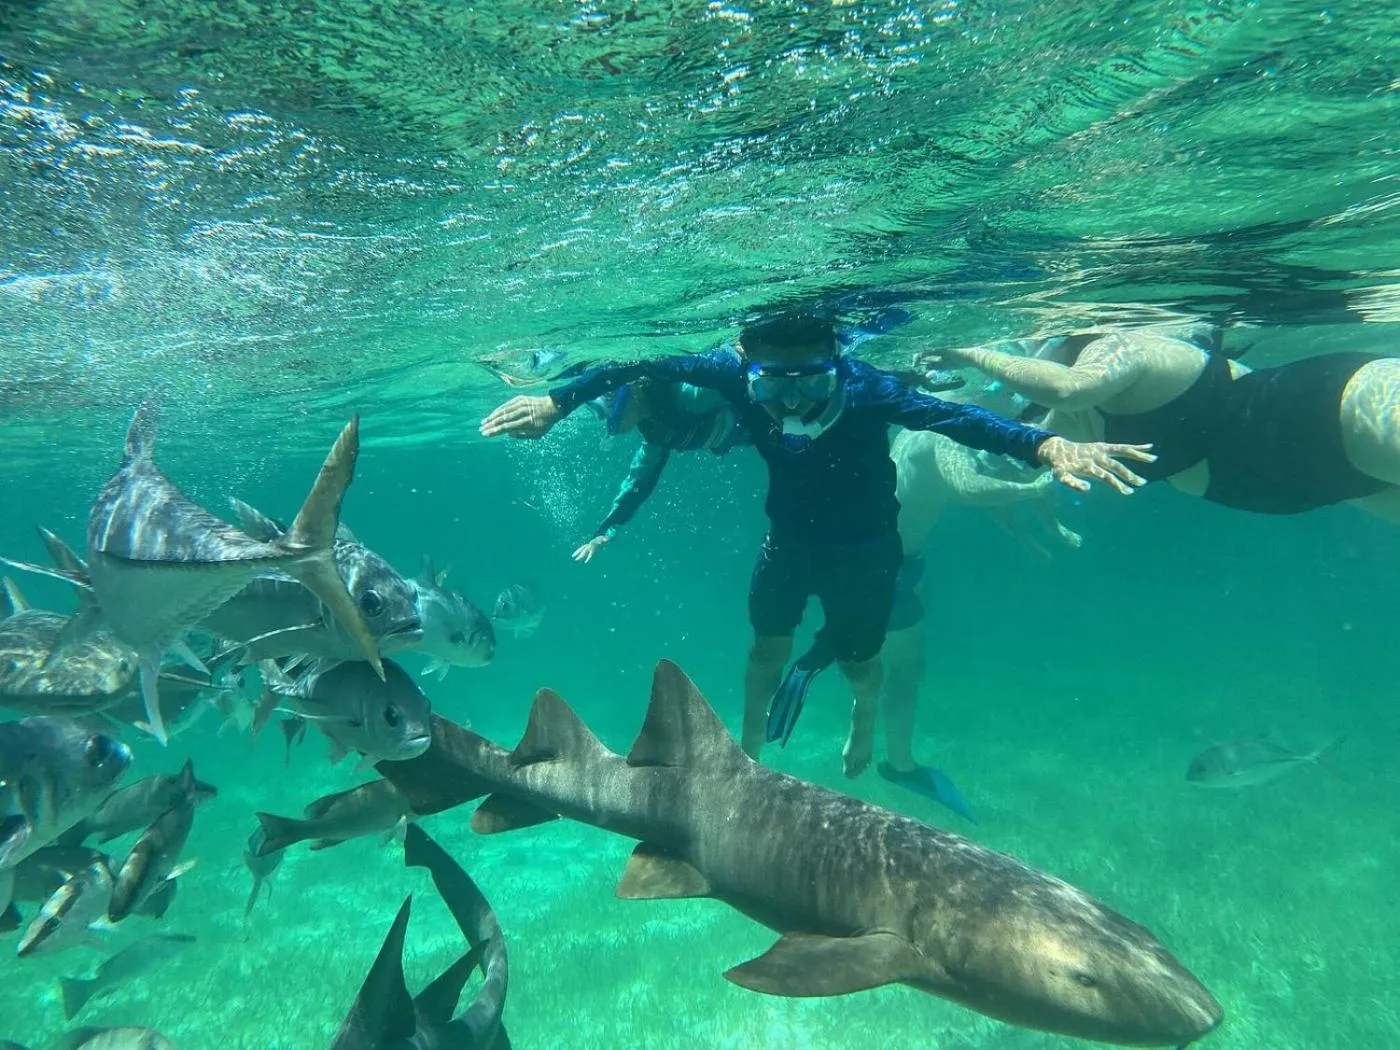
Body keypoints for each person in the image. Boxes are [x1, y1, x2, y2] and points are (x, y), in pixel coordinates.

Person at [480, 313, 1154, 780]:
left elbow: (958, 417)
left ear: (838, 368)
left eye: (811, 382)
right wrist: (558, 403)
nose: (793, 402)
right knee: (764, 653)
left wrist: (1046, 443)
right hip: (789, 542)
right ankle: (746, 755)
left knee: (860, 664)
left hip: (868, 551)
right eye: (773, 386)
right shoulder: (729, 377)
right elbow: (638, 360)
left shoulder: (867, 390)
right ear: (746, 369)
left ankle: (863, 715)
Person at [916, 328, 1400, 518]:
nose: (1024, 350)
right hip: (1337, 480)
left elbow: (1065, 387)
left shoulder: (1124, 346)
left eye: (1027, 342)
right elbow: (1013, 433)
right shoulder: (1070, 421)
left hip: (1334, 408)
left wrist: (969, 351)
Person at [878, 425, 1080, 819]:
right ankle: (898, 765)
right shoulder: (939, 436)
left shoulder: (919, 430)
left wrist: (1029, 538)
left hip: (897, 561)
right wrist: (1034, 488)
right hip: (886, 568)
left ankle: (873, 744)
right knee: (902, 670)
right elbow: (969, 486)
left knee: (896, 662)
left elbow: (980, 488)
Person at [572, 378, 744, 562]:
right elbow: (636, 484)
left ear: (632, 392)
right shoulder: (656, 434)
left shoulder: (690, 394)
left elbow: (741, 380)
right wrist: (604, 532)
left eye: (610, 406)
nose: (608, 419)